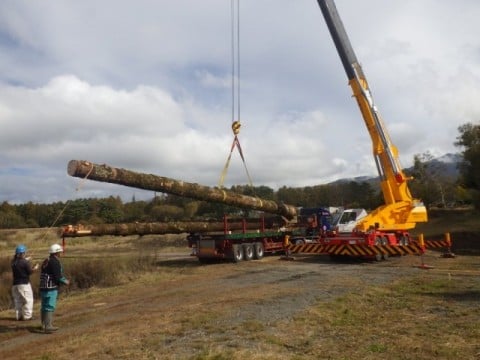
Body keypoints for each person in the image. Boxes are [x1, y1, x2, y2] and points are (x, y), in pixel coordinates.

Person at [39, 243, 70, 333]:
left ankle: (44, 324)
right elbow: (58, 276)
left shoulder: (46, 260)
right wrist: (65, 281)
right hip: (51, 287)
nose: (61, 253)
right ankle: (48, 326)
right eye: (60, 252)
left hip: (43, 286)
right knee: (49, 306)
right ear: (57, 253)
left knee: (44, 306)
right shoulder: (55, 262)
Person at [11, 244, 38, 321]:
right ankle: (27, 316)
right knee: (28, 300)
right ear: (23, 253)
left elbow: (20, 261)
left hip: (15, 285)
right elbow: (30, 272)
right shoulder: (25, 262)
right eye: (25, 252)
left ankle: (18, 316)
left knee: (18, 300)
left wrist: (27, 259)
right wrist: (35, 268)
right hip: (24, 284)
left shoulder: (13, 262)